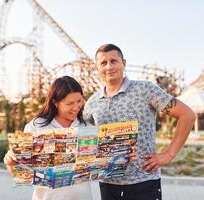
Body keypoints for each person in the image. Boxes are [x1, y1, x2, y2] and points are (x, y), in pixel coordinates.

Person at [84, 44, 196, 200]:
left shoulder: (145, 90)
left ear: (124, 63)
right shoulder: (92, 103)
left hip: (144, 183)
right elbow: (84, 141)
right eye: (103, 63)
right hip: (108, 185)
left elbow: (187, 115)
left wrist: (169, 155)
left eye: (113, 61)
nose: (109, 66)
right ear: (97, 68)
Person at [3, 76, 93, 200]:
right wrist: (10, 162)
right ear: (55, 102)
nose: (76, 107)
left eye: (79, 101)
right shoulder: (36, 127)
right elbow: (21, 172)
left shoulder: (87, 126)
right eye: (70, 103)